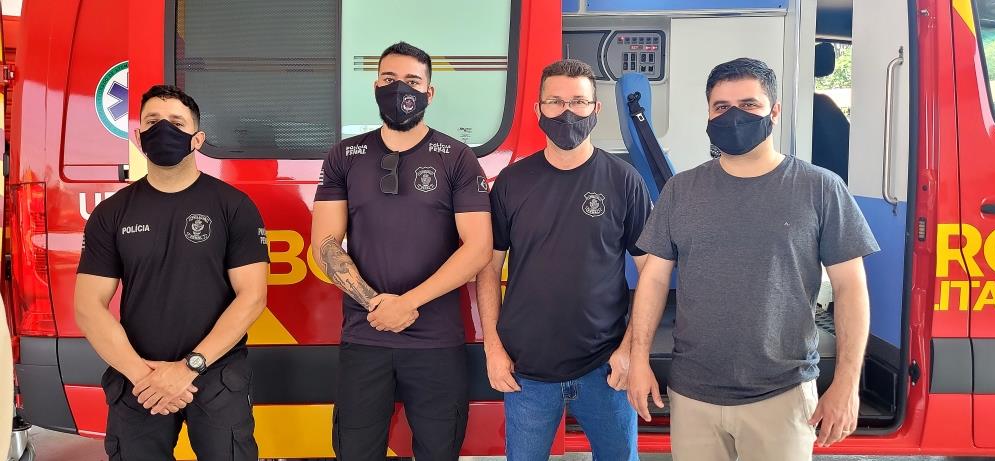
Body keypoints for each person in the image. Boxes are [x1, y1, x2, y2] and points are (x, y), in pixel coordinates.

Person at [626, 58, 879, 461]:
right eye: (722, 107)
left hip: (782, 394)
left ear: (774, 111)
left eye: (749, 105)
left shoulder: (820, 188)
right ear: (709, 114)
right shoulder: (681, 190)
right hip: (692, 395)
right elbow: (654, 279)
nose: (734, 116)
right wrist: (638, 359)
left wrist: (847, 385)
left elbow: (851, 289)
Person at [310, 41, 492, 461]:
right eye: (389, 79)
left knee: (438, 451)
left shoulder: (458, 158)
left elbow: (478, 247)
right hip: (365, 336)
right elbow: (325, 246)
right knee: (355, 451)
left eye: (412, 81)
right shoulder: (344, 156)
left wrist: (406, 304)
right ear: (376, 86)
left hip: (436, 342)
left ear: (430, 92)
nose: (400, 89)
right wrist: (376, 305)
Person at [75, 84, 269, 460]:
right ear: (138, 137)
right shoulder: (111, 214)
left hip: (215, 374)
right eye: (152, 121)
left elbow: (253, 296)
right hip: (137, 377)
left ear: (198, 139)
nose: (163, 129)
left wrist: (188, 368)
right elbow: (88, 306)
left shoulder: (233, 207)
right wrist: (144, 376)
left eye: (177, 123)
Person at [476, 58, 651, 461]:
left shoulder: (624, 180)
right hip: (527, 372)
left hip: (605, 369)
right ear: (538, 109)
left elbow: (651, 274)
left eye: (578, 102)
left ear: (596, 108)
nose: (566, 112)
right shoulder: (511, 182)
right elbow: (488, 268)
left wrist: (630, 350)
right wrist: (493, 350)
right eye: (555, 102)